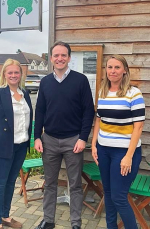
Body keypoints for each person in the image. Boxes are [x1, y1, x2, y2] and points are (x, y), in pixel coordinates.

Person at [34, 42, 95, 229]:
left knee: (75, 185)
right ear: (51, 58)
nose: (59, 58)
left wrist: (83, 138)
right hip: (49, 140)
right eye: (56, 55)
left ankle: (76, 223)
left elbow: (88, 112)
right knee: (50, 183)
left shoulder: (80, 80)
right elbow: (40, 111)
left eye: (63, 55)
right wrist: (37, 136)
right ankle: (48, 220)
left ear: (69, 58)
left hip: (73, 141)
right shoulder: (45, 82)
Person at [91, 55, 145, 229]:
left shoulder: (133, 93)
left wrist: (128, 156)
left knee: (119, 197)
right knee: (107, 193)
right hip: (103, 150)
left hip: (124, 152)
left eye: (117, 67)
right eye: (109, 67)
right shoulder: (102, 92)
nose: (112, 71)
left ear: (124, 70)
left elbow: (138, 127)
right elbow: (98, 119)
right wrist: (93, 144)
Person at [0, 59, 33, 229]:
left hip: (20, 146)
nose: (13, 75)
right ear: (4, 74)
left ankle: (6, 217)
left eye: (16, 72)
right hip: (1, 148)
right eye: (9, 72)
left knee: (10, 183)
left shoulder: (24, 94)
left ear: (21, 74)